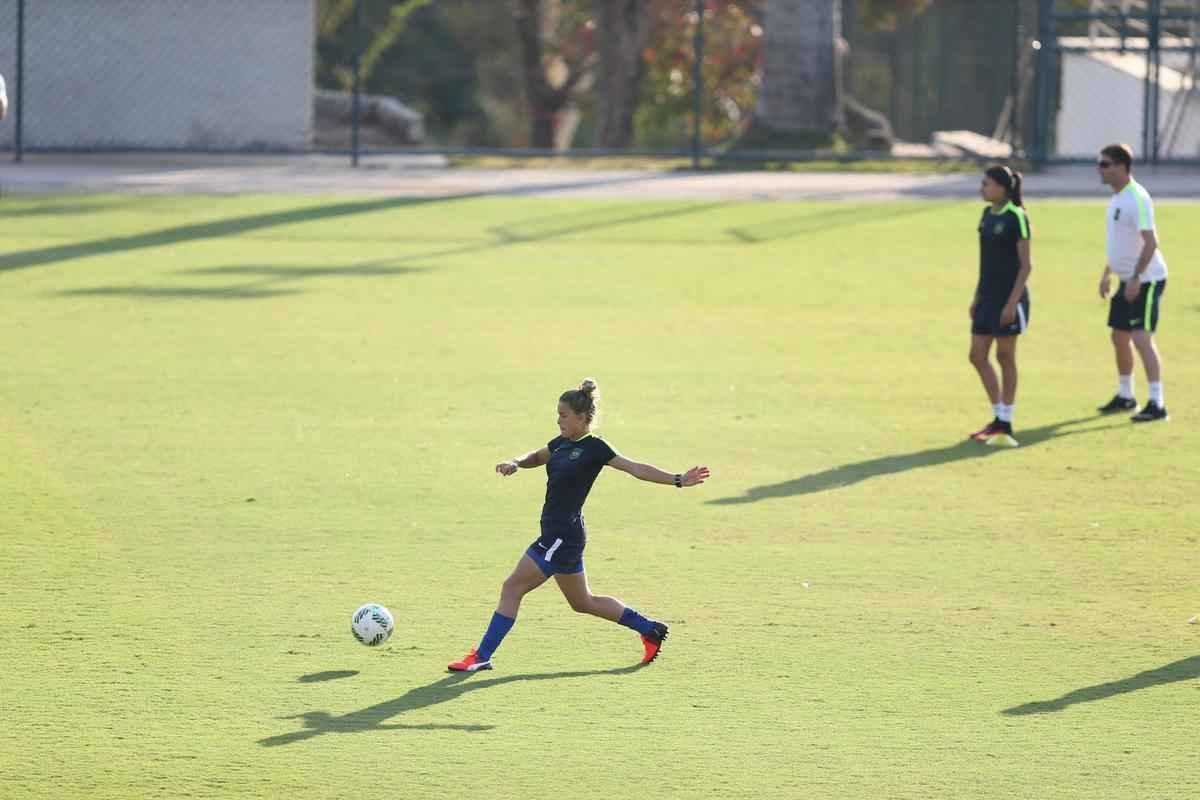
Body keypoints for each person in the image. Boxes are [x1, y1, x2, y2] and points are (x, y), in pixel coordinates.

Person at [447, 378, 710, 672]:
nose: (558, 420)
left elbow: (635, 468)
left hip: (561, 536)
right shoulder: (561, 443)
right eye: (557, 414)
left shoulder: (595, 447)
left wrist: (677, 479)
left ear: (583, 417)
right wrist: (515, 462)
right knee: (582, 602)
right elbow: (536, 456)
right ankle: (650, 629)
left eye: (563, 415)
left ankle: (481, 655)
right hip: (563, 534)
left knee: (512, 588)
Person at [1095, 144, 1170, 422]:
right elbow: (1121, 243)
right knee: (1119, 336)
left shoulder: (1137, 198)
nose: (1099, 169)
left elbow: (1151, 243)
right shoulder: (1116, 198)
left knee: (1141, 338)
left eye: (1105, 164)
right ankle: (1126, 396)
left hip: (1146, 279)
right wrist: (1108, 272)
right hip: (1127, 278)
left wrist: (1137, 278)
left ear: (1122, 167)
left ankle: (1157, 403)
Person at [967, 165, 1033, 447]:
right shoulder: (986, 215)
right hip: (987, 298)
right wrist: (976, 296)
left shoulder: (1016, 217)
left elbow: (1026, 266)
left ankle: (1006, 420)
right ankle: (997, 417)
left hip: (1009, 299)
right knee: (977, 355)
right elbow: (986, 262)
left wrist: (1012, 303)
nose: (982, 188)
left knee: (1005, 357)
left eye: (987, 184)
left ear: (1002, 188)